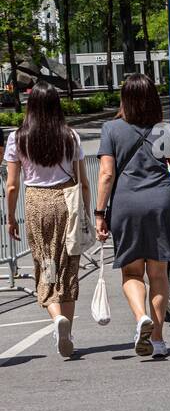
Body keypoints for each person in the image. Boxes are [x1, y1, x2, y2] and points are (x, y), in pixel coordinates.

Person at [95, 74, 170, 359]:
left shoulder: (110, 129)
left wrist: (99, 213)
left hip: (127, 204)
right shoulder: (165, 131)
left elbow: (107, 174)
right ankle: (157, 338)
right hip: (162, 202)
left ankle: (140, 319)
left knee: (132, 272)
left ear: (124, 98)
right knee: (159, 274)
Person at [3, 81, 89, 358]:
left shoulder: (18, 137)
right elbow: (83, 182)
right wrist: (86, 212)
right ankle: (68, 331)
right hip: (66, 201)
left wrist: (10, 218)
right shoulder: (71, 136)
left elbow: (12, 185)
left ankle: (56, 319)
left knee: (46, 263)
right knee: (68, 266)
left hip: (37, 203)